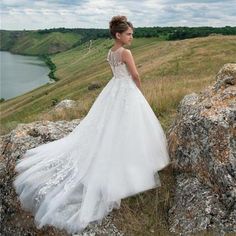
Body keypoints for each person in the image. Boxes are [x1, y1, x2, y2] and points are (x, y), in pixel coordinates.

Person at [13, 15, 170, 234]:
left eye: (131, 34)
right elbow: (135, 75)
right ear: (118, 35)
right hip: (126, 91)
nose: (131, 37)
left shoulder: (110, 52)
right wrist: (138, 91)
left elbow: (114, 73)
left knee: (111, 127)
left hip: (114, 89)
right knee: (129, 128)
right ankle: (130, 168)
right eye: (129, 34)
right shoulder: (126, 52)